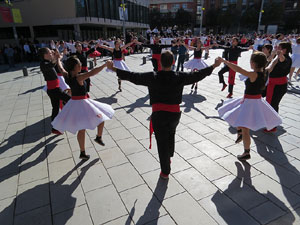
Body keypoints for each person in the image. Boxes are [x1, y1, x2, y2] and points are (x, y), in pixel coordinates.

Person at [106, 50, 222, 179]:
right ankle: (169, 156)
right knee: (171, 133)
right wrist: (214, 66)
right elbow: (198, 75)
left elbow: (133, 76)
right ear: (173, 62)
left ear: (160, 62)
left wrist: (114, 69)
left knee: (162, 143)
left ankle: (165, 171)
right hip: (174, 115)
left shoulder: (152, 76)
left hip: (159, 115)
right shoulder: (180, 76)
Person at [217, 52, 282, 161]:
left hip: (249, 102)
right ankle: (240, 133)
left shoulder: (254, 74)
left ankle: (246, 151)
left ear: (253, 63)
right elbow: (272, 64)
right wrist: (276, 56)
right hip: (256, 101)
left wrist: (225, 62)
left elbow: (239, 69)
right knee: (237, 116)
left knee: (244, 126)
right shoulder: (266, 72)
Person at [51, 56, 115, 160]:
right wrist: (104, 65)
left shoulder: (67, 76)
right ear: (73, 68)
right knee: (101, 118)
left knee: (82, 129)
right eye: (78, 64)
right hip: (82, 104)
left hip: (74, 104)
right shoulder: (78, 77)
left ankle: (83, 152)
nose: (80, 65)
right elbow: (92, 72)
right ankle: (98, 137)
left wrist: (58, 58)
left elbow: (60, 67)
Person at [38, 48, 71, 135]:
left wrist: (57, 56)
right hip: (54, 90)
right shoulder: (43, 64)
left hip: (54, 89)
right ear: (45, 54)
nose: (51, 53)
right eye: (50, 52)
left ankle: (55, 128)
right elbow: (52, 64)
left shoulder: (47, 61)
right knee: (71, 99)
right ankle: (70, 118)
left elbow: (54, 62)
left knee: (55, 109)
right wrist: (57, 57)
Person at [265, 42, 292, 132]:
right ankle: (267, 120)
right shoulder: (277, 57)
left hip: (279, 86)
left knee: (274, 104)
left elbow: (282, 59)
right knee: (267, 102)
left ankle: (273, 125)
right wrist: (273, 53)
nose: (277, 48)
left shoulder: (287, 59)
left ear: (285, 50)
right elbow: (269, 61)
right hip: (271, 83)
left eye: (279, 47)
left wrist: (279, 54)